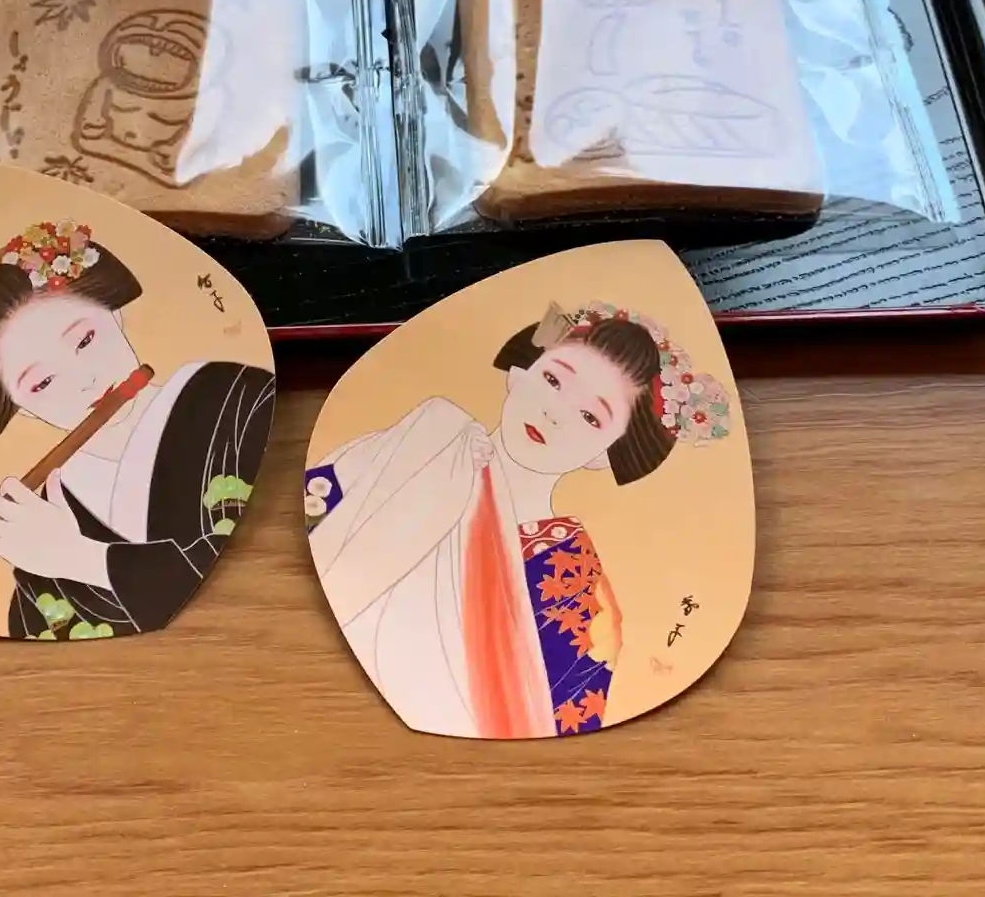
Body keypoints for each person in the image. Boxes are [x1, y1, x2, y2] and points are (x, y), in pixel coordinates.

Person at [304, 300, 731, 738]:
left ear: (607, 455)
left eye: (590, 416)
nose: (553, 412)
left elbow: (557, 714)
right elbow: (316, 517)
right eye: (553, 380)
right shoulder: (429, 437)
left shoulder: (570, 573)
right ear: (519, 373)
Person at [0, 220, 273, 639]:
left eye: (85, 340)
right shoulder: (39, 525)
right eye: (42, 382)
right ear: (18, 407)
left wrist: (81, 558)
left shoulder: (239, 400)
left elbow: (254, 584)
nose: (86, 379)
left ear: (114, 311)